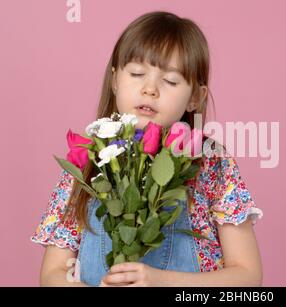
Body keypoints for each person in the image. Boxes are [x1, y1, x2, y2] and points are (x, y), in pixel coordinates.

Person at [31, 11, 263, 287]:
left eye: (171, 81)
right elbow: (53, 274)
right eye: (137, 73)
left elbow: (247, 276)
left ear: (195, 98)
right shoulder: (88, 162)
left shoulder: (211, 165)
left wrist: (160, 281)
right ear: (115, 80)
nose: (150, 89)